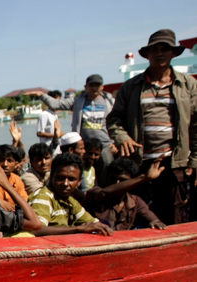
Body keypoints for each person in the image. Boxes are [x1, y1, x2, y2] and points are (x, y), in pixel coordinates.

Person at [107, 29, 197, 225]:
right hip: (139, 163)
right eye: (154, 50)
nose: (159, 54)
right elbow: (113, 120)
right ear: (147, 55)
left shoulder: (188, 84)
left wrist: (195, 160)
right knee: (136, 215)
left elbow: (196, 124)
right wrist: (122, 138)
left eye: (164, 49)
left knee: (174, 216)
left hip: (173, 163)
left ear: (173, 53)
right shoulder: (131, 86)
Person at [29, 153, 112, 236]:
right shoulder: (43, 197)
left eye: (71, 179)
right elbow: (36, 229)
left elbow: (94, 223)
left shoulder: (70, 201)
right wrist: (78, 229)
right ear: (51, 177)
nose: (65, 183)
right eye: (60, 178)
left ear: (79, 181)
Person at [84, 158, 166, 231]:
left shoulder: (135, 201)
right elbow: (103, 194)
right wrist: (144, 178)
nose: (117, 183)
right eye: (113, 178)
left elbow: (153, 219)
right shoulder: (95, 192)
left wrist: (155, 223)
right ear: (106, 177)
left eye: (123, 180)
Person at [0, 144, 29, 210]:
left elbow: (24, 203)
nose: (5, 164)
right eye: (1, 160)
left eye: (9, 161)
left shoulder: (17, 179)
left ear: (16, 164)